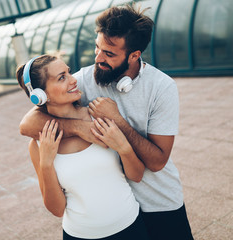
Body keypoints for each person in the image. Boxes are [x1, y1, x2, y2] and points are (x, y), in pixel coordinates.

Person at [19, 4, 194, 240]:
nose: (98, 59)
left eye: (109, 54)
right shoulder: (82, 80)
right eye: (97, 48)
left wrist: (118, 121)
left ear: (134, 55)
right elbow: (28, 124)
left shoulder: (162, 88)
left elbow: (157, 161)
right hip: (114, 214)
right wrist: (79, 128)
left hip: (158, 203)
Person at [16, 54, 150, 239]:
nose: (73, 80)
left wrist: (124, 148)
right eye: (62, 78)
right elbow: (57, 209)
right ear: (40, 96)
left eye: (68, 72)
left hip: (130, 226)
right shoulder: (38, 144)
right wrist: (46, 164)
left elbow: (137, 175)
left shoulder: (100, 116)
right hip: (80, 234)